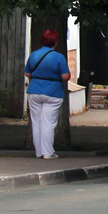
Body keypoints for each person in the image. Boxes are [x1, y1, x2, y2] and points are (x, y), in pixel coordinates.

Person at [25, 30, 72, 159]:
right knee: (48, 123)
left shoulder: (34, 55)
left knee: (36, 122)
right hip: (53, 92)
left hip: (34, 91)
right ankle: (48, 152)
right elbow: (65, 76)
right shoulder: (59, 57)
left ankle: (38, 152)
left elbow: (27, 73)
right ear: (55, 42)